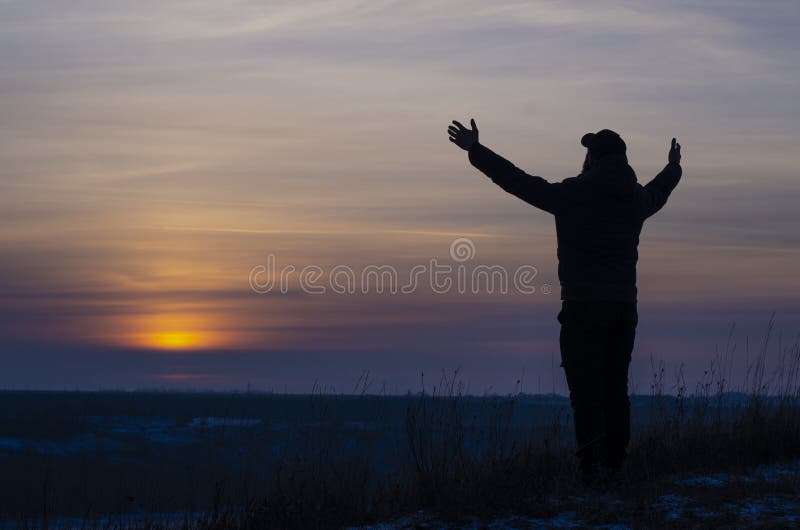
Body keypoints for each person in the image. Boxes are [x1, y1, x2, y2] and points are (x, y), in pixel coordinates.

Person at [447, 119, 682, 482]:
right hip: (623, 308)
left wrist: (476, 151)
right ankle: (616, 467)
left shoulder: (573, 196)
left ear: (593, 158)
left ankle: (592, 470)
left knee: (586, 393)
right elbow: (660, 191)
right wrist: (673, 167)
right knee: (615, 389)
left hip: (583, 308)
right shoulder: (635, 200)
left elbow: (519, 182)